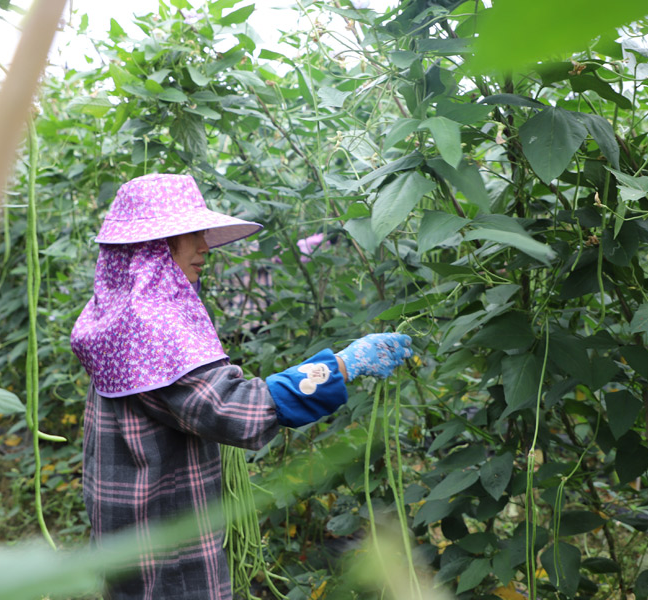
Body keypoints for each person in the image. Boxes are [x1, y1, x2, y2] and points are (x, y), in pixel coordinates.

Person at [70, 173, 414, 600]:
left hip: (132, 523)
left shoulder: (119, 314)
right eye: (190, 234)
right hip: (164, 540)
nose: (204, 246)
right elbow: (236, 409)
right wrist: (343, 364)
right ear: (152, 247)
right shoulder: (149, 327)